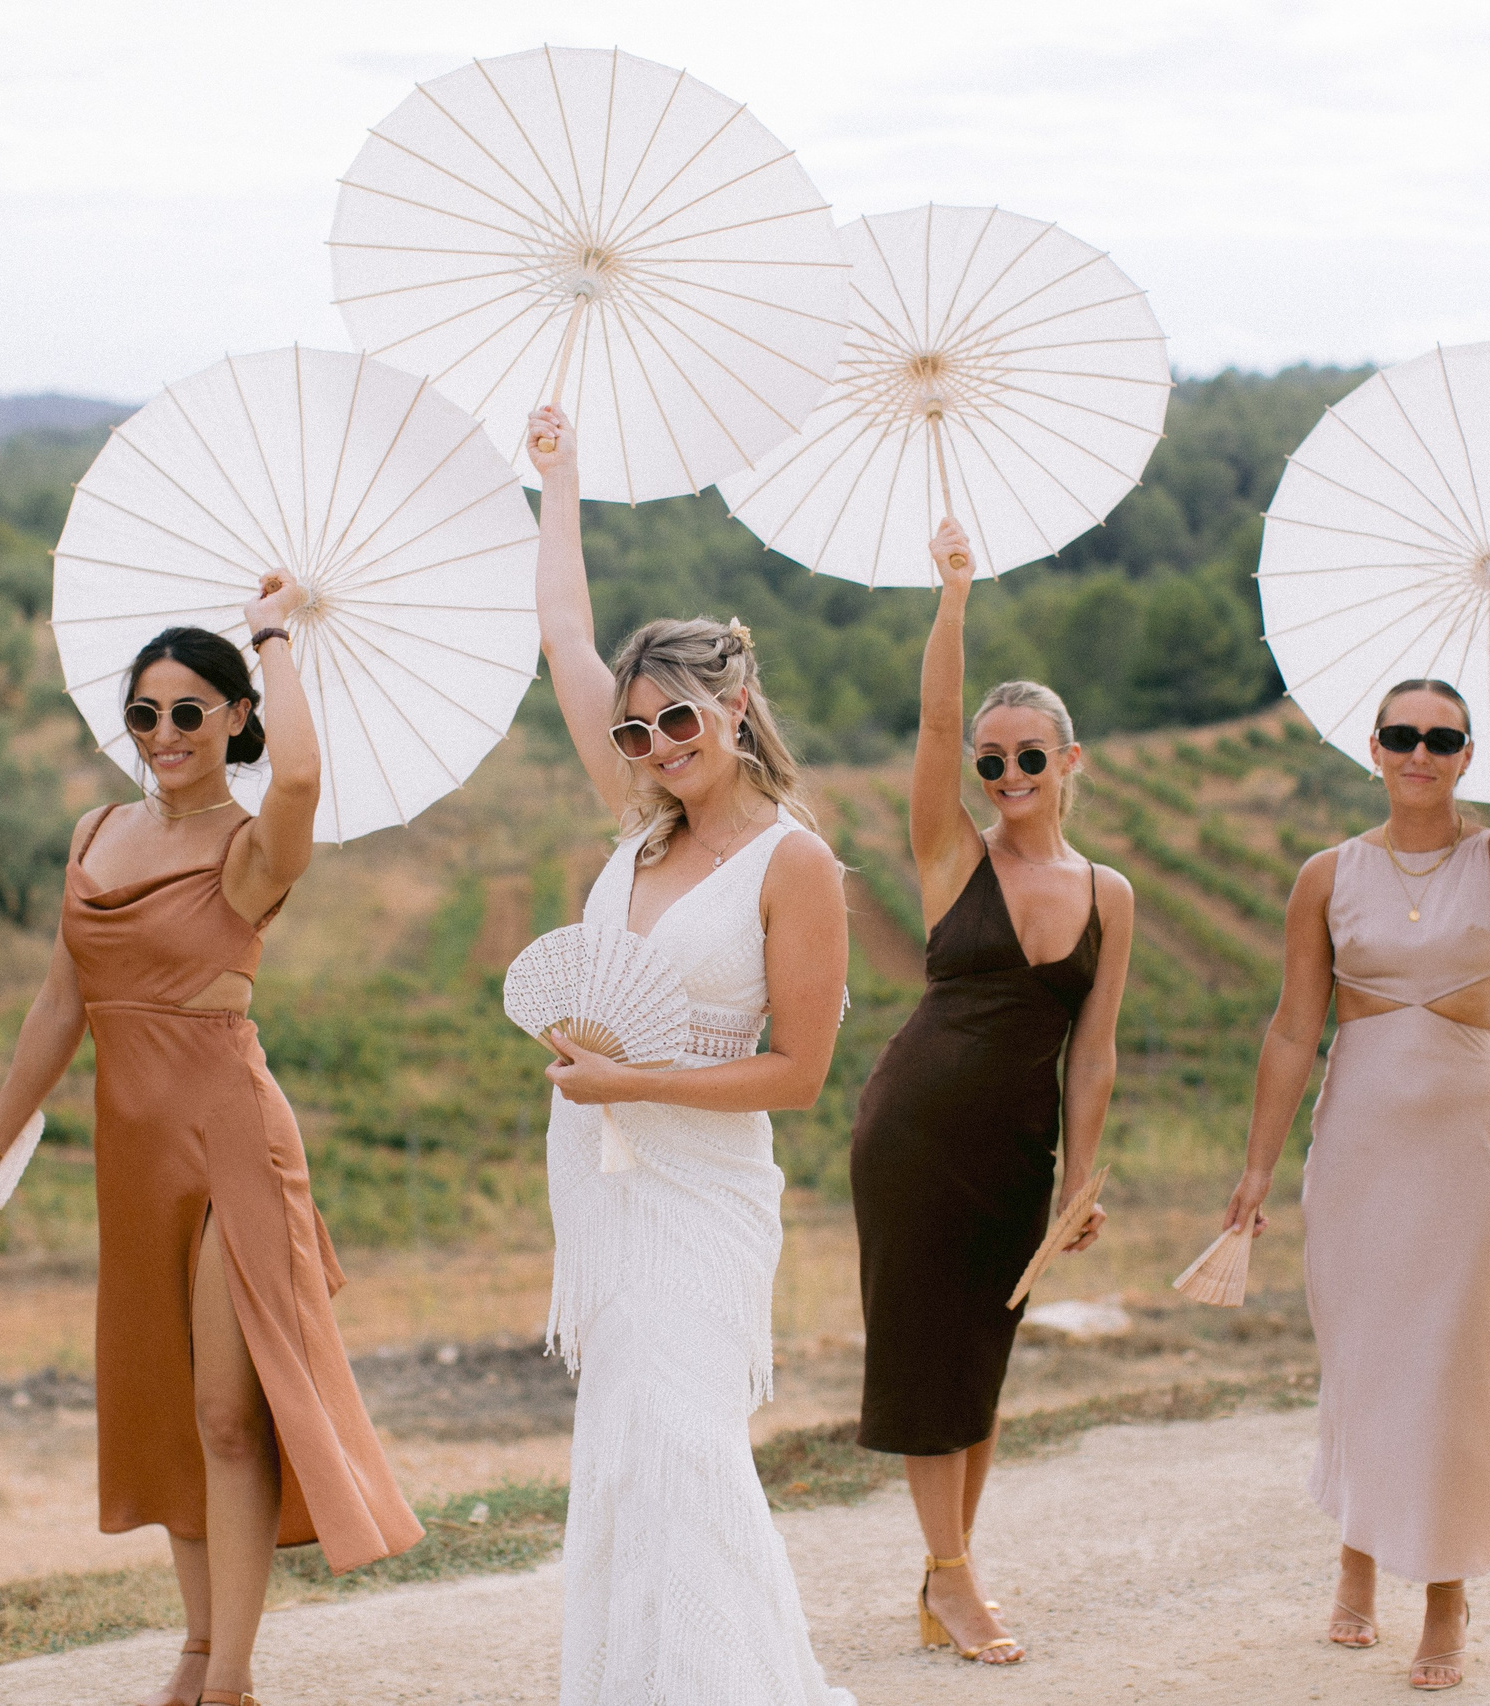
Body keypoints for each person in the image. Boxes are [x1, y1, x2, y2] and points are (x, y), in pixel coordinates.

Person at [0, 587, 421, 1706]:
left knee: (224, 1408)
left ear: (237, 718)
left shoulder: (253, 847)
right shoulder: (94, 834)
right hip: (131, 1150)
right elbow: (59, 1005)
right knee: (168, 1404)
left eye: (191, 714)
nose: (163, 736)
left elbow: (300, 778)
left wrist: (274, 638)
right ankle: (201, 1645)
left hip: (230, 1141)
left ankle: (233, 1676)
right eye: (145, 714)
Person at [523, 402, 856, 1705]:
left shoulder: (797, 864)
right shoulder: (638, 831)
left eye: (678, 722)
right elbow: (559, 631)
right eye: (634, 730)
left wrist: (633, 1080)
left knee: (683, 1449)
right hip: (601, 1179)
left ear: (734, 705)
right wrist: (562, 481)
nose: (656, 748)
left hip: (705, 1189)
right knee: (622, 1457)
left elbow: (799, 1074)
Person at [1219, 610, 1490, 1692]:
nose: (1421, 754)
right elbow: (1295, 1025)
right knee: (1364, 1352)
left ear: (1466, 755)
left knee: (1449, 1362)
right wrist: (1254, 1166)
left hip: (1464, 1151)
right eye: (1402, 735)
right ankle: (1354, 1551)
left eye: (1442, 738)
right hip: (1356, 1145)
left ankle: (1444, 1593)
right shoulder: (1325, 874)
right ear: (1373, 749)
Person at [847, 518, 1135, 1666]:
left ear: (1071, 762)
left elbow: (1095, 1049)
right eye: (990, 758)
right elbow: (927, 722)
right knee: (929, 1355)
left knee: (983, 1361)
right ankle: (957, 1580)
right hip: (914, 1135)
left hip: (1016, 1155)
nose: (1006, 774)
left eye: (1029, 755)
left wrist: (1075, 1179)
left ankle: (943, 1576)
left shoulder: (1110, 892)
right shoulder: (950, 855)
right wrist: (953, 598)